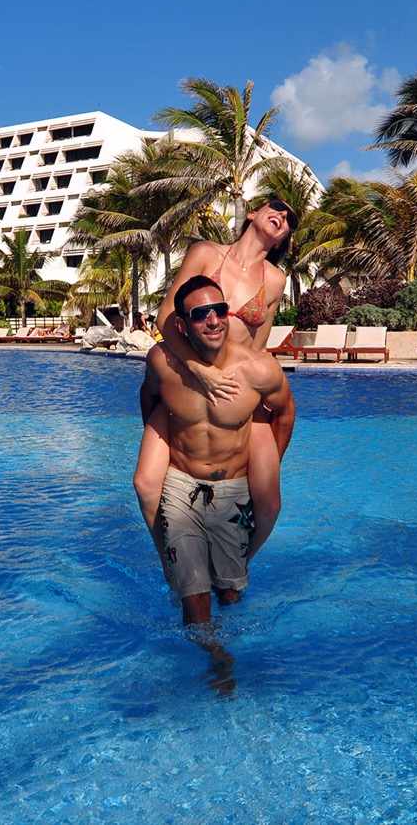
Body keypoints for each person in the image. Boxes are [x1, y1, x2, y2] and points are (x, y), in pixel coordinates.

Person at [136, 196, 298, 562]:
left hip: (236, 390)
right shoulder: (207, 253)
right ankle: (171, 559)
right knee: (146, 486)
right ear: (253, 212)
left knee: (269, 503)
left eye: (289, 219)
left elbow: (259, 344)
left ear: (283, 237)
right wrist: (198, 370)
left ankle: (235, 561)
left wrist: (252, 392)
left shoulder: (274, 279)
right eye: (276, 207)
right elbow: (166, 318)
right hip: (184, 375)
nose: (282, 216)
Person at [134, 275, 295, 627]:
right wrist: (160, 435)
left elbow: (284, 412)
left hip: (232, 494)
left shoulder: (257, 369)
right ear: (182, 325)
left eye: (219, 310)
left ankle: (221, 639)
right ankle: (219, 670)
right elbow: (148, 395)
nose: (212, 320)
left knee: (230, 595)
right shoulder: (163, 362)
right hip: (180, 487)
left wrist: (270, 463)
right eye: (200, 314)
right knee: (195, 606)